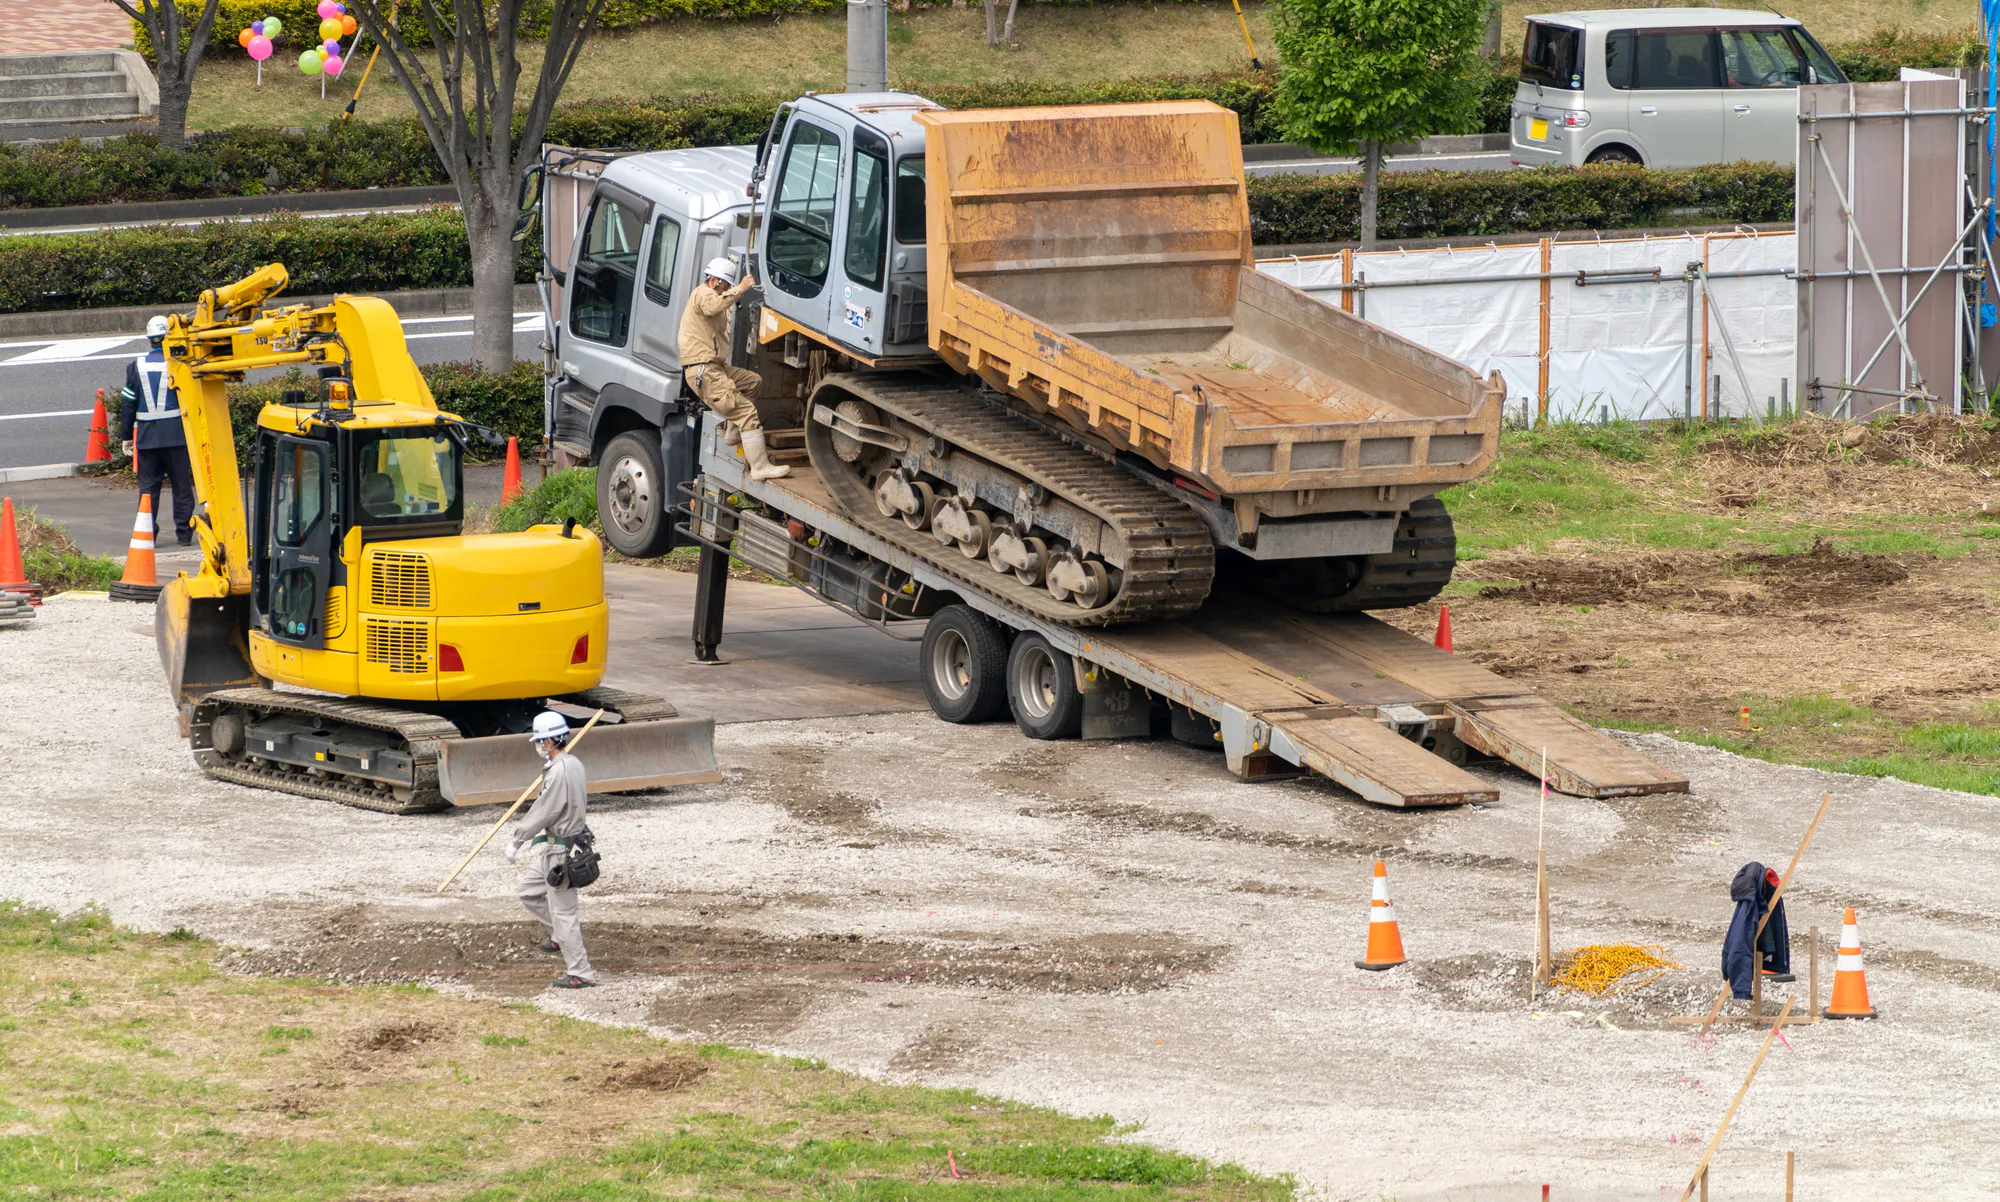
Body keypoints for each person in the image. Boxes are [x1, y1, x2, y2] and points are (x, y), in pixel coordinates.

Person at [678, 255, 789, 481]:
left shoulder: (712, 295)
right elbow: (713, 305)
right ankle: (759, 467)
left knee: (753, 382)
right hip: (704, 371)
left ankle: (732, 432)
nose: (727, 290)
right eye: (726, 285)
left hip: (714, 368)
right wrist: (740, 288)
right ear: (714, 281)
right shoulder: (703, 294)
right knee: (747, 412)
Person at [506, 711, 595, 989]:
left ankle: (581, 972)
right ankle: (558, 936)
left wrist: (518, 839)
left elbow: (545, 810)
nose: (539, 746)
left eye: (541, 741)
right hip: (554, 847)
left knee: (564, 912)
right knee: (528, 891)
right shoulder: (572, 764)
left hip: (562, 852)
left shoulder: (559, 772)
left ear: (550, 742)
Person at [119, 315, 196, 546]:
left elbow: (127, 403)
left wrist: (125, 438)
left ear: (150, 339)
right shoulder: (182, 364)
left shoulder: (136, 366)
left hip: (147, 437)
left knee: (148, 489)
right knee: (181, 486)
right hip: (177, 437)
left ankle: (148, 536)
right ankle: (184, 535)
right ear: (168, 337)